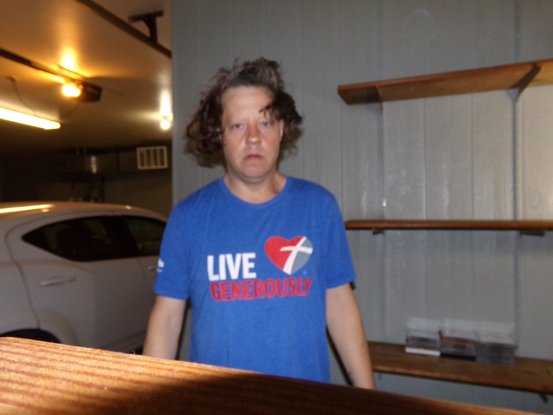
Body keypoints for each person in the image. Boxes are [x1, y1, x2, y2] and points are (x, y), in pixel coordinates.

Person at [143, 57, 375, 389]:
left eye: (265, 123)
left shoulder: (318, 207)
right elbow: (166, 318)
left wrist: (369, 396)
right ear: (220, 135)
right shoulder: (187, 218)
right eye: (238, 126)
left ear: (282, 129)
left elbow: (339, 303)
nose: (253, 137)